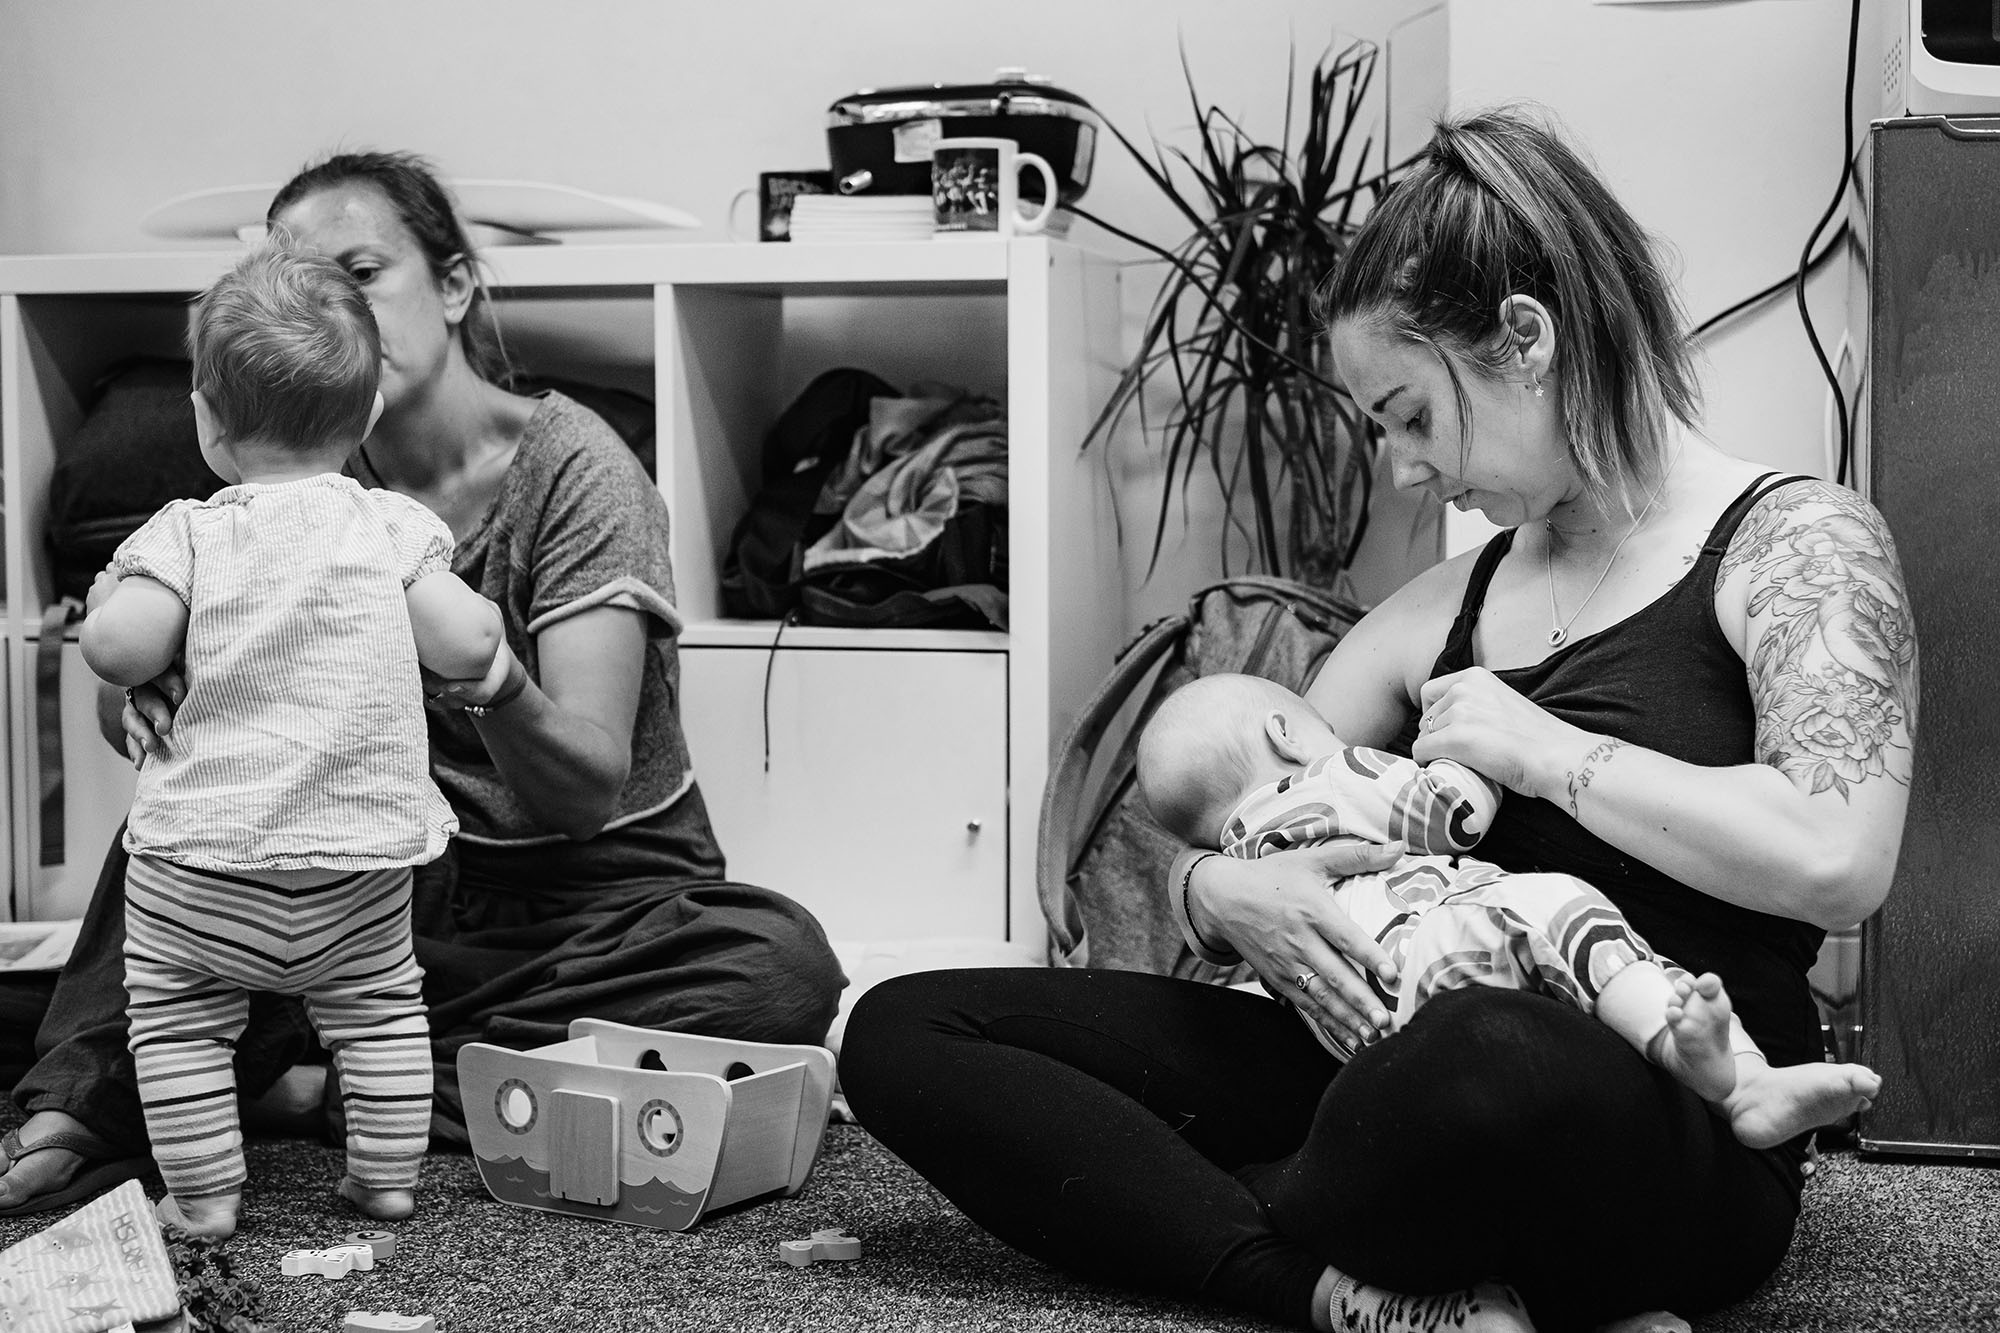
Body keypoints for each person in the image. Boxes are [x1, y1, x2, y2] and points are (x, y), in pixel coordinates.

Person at [840, 106, 1918, 1333]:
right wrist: (1218, 894)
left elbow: (1835, 864)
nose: (1401, 468)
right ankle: (1317, 1287)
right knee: (903, 1027)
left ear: (1524, 340)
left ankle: (1205, 1210)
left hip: (1645, 1104)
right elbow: (1244, 793)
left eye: (1409, 413)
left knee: (1483, 1055)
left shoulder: (1793, 545)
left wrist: (1547, 754)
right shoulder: (1439, 607)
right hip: (1381, 1059)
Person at [0, 150, 846, 1218]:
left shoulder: (573, 467)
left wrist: (486, 677)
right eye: (300, 284)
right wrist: (142, 698)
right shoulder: (281, 460)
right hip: (361, 876)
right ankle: (122, 1092)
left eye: (359, 271)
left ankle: (291, 1079)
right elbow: (131, 667)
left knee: (776, 970)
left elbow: (581, 790)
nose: (328, 310)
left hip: (581, 900)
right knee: (182, 829)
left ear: (452, 285)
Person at [81, 242, 508, 1237]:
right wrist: (478, 655)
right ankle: (386, 1181)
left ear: (204, 417)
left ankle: (204, 1199)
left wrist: (110, 601)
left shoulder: (186, 530)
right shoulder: (388, 525)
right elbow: (464, 642)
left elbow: (118, 649)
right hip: (356, 867)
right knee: (382, 1013)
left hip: (203, 867)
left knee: (180, 1027)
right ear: (365, 417)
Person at [1137, 671, 1881, 1152]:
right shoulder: (1330, 775)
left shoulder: (1245, 862)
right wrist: (1479, 746)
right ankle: (1741, 1078)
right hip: (1436, 942)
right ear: (1286, 733)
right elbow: (1450, 812)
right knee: (1561, 908)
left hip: (1358, 1028)